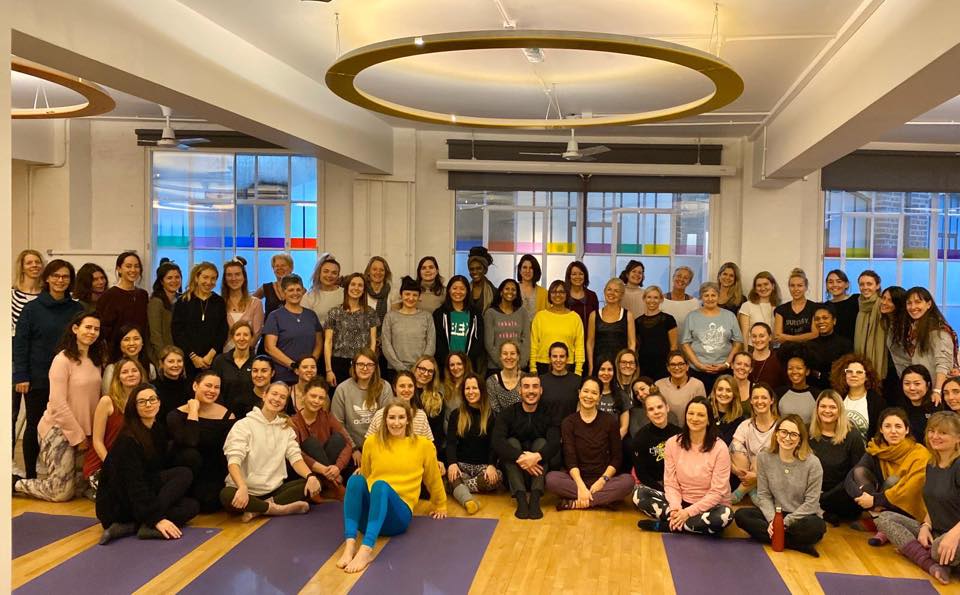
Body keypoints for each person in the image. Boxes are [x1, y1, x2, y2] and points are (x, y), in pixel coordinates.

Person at [337, 399, 446, 573]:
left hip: (397, 518)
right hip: (369, 519)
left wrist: (440, 504)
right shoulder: (371, 442)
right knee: (355, 480)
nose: (396, 422)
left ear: (408, 420)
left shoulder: (423, 445)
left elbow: (433, 478)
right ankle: (350, 545)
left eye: (401, 417)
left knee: (380, 486)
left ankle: (366, 550)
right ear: (385, 419)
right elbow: (366, 474)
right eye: (392, 417)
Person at [13, 313, 106, 501]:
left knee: (79, 487)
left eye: (96, 329)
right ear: (75, 329)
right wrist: (78, 436)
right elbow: (58, 403)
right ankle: (14, 483)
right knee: (61, 493)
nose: (92, 332)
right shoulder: (62, 360)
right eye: (88, 327)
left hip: (86, 432)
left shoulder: (96, 361)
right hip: (58, 430)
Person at [95, 383, 199, 544]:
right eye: (142, 402)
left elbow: (155, 471)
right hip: (118, 504)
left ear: (159, 402)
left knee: (191, 505)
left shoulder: (156, 429)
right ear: (134, 407)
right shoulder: (128, 440)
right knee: (183, 475)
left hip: (141, 494)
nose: (148, 404)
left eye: (152, 399)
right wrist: (156, 518)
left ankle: (133, 526)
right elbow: (134, 485)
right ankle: (147, 522)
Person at [13, 260, 85, 478]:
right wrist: (21, 375)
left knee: (66, 424)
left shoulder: (77, 309)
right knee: (34, 425)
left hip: (70, 378)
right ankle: (31, 475)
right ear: (47, 278)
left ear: (71, 280)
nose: (60, 280)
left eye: (65, 276)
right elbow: (21, 344)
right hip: (38, 378)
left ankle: (62, 473)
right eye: (56, 276)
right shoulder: (31, 309)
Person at [875, 411, 960, 585]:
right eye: (932, 431)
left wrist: (953, 535)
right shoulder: (931, 464)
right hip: (936, 531)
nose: (935, 436)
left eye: (943, 433)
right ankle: (932, 564)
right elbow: (933, 503)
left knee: (937, 549)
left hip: (955, 533)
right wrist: (925, 526)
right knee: (885, 518)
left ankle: (923, 555)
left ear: (958, 438)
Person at [220, 382, 321, 521]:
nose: (277, 399)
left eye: (282, 397)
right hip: (244, 490)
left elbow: (296, 458)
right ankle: (275, 508)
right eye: (274, 394)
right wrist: (242, 487)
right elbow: (233, 461)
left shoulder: (286, 428)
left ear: (285, 403)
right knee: (226, 495)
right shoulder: (243, 425)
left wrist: (310, 476)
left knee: (312, 483)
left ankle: (259, 510)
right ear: (264, 395)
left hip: (273, 490)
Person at [634, 396, 733, 536]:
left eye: (701, 415)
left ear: (709, 420)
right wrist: (675, 508)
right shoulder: (672, 443)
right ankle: (686, 523)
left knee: (725, 515)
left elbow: (717, 492)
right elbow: (670, 482)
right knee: (639, 494)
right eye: (691, 413)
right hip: (681, 502)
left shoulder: (720, 448)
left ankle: (668, 525)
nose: (694, 418)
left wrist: (688, 512)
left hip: (710, 506)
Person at [734, 414, 826, 557]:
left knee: (817, 527)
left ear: (800, 439)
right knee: (741, 516)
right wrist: (773, 520)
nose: (787, 438)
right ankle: (796, 544)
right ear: (776, 434)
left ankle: (776, 537)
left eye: (793, 434)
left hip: (801, 516)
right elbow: (764, 495)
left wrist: (784, 523)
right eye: (784, 432)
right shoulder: (764, 457)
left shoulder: (813, 463)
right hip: (775, 513)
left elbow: (811, 503)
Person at [845, 407, 929, 544]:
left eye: (898, 426)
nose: (893, 431)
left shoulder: (920, 453)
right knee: (859, 472)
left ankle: (883, 526)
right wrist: (863, 498)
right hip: (881, 501)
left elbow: (910, 489)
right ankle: (879, 519)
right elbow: (851, 477)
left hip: (908, 504)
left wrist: (875, 500)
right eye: (888, 426)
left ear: (907, 430)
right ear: (881, 429)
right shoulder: (877, 448)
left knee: (892, 481)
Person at [546, 378, 633, 510]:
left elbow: (616, 458)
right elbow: (570, 459)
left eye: (594, 393)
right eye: (586, 391)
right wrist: (581, 486)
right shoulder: (568, 422)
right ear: (579, 393)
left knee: (628, 481)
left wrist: (602, 481)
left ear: (599, 398)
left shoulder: (610, 421)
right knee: (551, 479)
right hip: (576, 479)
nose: (589, 396)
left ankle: (575, 503)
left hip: (603, 480)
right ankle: (601, 500)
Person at [492, 373, 560, 519]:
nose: (531, 391)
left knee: (542, 442)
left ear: (541, 390)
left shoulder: (549, 412)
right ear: (520, 391)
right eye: (526, 387)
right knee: (511, 442)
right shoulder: (508, 413)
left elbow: (554, 442)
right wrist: (521, 457)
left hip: (539, 472)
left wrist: (537, 456)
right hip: (514, 473)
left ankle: (535, 499)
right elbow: (497, 441)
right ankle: (521, 500)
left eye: (535, 387)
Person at [167, 370, 235, 512]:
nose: (212, 391)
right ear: (195, 386)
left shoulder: (227, 415)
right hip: (186, 470)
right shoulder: (175, 415)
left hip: (211, 471)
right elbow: (191, 441)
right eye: (208, 385)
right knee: (191, 454)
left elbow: (227, 451)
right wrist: (193, 411)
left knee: (210, 504)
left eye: (216, 387)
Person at [84, 357, 145, 494]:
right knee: (121, 496)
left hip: (131, 463)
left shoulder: (145, 402)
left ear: (141, 374)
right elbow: (97, 441)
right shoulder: (107, 402)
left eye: (134, 371)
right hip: (103, 463)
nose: (130, 374)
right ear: (118, 378)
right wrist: (111, 464)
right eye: (125, 372)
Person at [446, 373, 502, 513]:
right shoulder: (456, 414)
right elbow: (451, 443)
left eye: (474, 388)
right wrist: (452, 463)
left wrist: (491, 465)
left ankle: (457, 488)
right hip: (462, 466)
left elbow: (495, 444)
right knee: (452, 475)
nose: (471, 392)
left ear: (481, 390)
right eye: (467, 388)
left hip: (482, 467)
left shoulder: (492, 415)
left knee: (496, 478)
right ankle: (468, 501)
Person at [809, 390, 865, 525]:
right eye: (823, 406)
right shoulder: (807, 432)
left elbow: (856, 475)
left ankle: (819, 509)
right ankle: (820, 510)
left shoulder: (853, 436)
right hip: (812, 491)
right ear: (817, 409)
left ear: (840, 410)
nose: (827, 411)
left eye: (832, 407)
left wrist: (825, 497)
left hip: (841, 494)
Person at [889, 287, 957, 398]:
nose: (913, 307)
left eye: (918, 302)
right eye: (909, 303)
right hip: (919, 390)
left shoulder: (938, 329)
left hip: (936, 392)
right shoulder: (911, 329)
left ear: (929, 304)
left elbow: (943, 363)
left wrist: (937, 390)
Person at [291, 377, 352, 497]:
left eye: (321, 398)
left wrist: (337, 468)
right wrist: (324, 469)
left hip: (330, 467)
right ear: (304, 396)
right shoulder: (293, 422)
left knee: (338, 438)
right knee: (310, 444)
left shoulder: (327, 417)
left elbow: (348, 444)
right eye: (313, 396)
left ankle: (326, 484)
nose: (316, 401)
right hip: (306, 472)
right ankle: (334, 486)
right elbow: (296, 454)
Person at [331, 349, 394, 465]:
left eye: (369, 365)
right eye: (360, 364)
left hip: (379, 445)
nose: (365, 368)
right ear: (354, 366)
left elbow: (387, 421)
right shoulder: (342, 389)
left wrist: (373, 449)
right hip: (351, 447)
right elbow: (338, 424)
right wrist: (353, 449)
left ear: (375, 367)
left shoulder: (385, 387)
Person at [680, 282, 743, 393]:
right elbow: (685, 344)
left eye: (713, 295)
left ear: (718, 296)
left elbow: (738, 342)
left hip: (724, 370)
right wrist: (698, 364)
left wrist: (727, 364)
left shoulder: (729, 316)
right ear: (701, 297)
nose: (710, 299)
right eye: (706, 295)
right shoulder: (692, 316)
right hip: (697, 371)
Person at [262, 274, 323, 385]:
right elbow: (269, 347)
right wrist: (294, 366)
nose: (295, 293)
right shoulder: (275, 316)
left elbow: (319, 343)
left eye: (298, 289)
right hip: (284, 377)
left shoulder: (311, 315)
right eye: (291, 290)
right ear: (283, 292)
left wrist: (309, 365)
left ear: (303, 291)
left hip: (309, 377)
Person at [11, 250, 45, 447]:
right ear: (22, 267)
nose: (34, 266)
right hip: (14, 361)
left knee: (37, 416)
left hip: (39, 362)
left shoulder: (47, 296)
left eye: (37, 262)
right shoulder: (10, 295)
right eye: (29, 262)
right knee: (11, 412)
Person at [172, 262, 228, 378]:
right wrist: (193, 357)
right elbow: (178, 332)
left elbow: (222, 331)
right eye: (205, 277)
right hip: (189, 360)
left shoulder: (219, 302)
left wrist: (210, 355)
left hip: (213, 359)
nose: (209, 282)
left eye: (213, 278)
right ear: (197, 278)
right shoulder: (183, 301)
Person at [325, 272, 379, 385]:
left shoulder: (370, 313)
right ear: (347, 287)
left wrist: (370, 364)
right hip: (338, 363)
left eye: (360, 285)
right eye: (353, 284)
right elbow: (328, 342)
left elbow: (373, 341)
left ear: (364, 290)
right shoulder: (334, 312)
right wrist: (329, 370)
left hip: (362, 364)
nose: (356, 288)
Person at [730, 382, 780, 504]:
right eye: (756, 398)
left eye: (764, 398)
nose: (759, 401)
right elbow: (732, 450)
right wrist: (735, 469)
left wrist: (757, 476)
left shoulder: (780, 425)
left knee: (762, 455)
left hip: (773, 475)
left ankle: (740, 491)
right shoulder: (745, 425)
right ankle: (753, 491)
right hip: (748, 470)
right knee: (735, 447)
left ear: (771, 400)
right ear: (751, 401)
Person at [382, 276, 436, 375]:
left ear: (419, 297)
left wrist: (420, 367)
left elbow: (431, 344)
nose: (411, 298)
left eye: (415, 295)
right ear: (401, 295)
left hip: (421, 371)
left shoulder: (427, 317)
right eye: (407, 294)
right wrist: (401, 368)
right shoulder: (390, 316)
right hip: (395, 370)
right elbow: (386, 344)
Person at [96, 251, 149, 351]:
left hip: (139, 350)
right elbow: (103, 327)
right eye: (128, 266)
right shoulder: (109, 295)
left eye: (136, 266)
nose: (133, 270)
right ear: (119, 269)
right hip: (115, 351)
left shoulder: (143, 295)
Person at [530, 280, 585, 376]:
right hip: (543, 365)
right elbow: (534, 344)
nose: (557, 295)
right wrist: (532, 367)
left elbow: (579, 346)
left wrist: (578, 370)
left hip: (568, 365)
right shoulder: (540, 317)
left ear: (567, 294)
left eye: (561, 292)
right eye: (554, 292)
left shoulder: (575, 318)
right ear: (549, 295)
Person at [631, 392, 681, 490]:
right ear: (647, 414)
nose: (656, 412)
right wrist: (663, 490)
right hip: (654, 485)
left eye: (659, 407)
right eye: (651, 409)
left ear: (667, 408)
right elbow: (642, 474)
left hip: (678, 483)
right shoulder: (640, 438)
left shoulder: (679, 434)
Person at [433, 275, 484, 371]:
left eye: (462, 289)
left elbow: (478, 341)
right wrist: (449, 362)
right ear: (449, 290)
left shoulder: (475, 314)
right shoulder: (439, 314)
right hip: (445, 366)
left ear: (467, 291)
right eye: (454, 288)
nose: (458, 292)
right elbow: (438, 342)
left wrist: (465, 362)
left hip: (469, 366)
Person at [586, 279, 636, 376]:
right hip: (599, 366)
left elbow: (631, 343)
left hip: (620, 366)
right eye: (609, 289)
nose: (612, 293)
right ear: (604, 291)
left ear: (621, 295)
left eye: (616, 291)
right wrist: (591, 367)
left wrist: (629, 364)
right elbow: (590, 343)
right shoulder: (594, 315)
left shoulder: (628, 315)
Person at [366, 371, 435, 441]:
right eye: (402, 386)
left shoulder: (421, 416)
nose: (406, 390)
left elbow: (429, 444)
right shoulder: (380, 415)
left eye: (410, 386)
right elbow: (369, 442)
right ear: (394, 388)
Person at [831, 353, 885, 441]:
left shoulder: (877, 402)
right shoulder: (837, 398)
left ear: (867, 376)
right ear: (844, 375)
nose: (854, 375)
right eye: (849, 372)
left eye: (859, 372)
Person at [483, 278, 529, 373]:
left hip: (518, 367)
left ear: (517, 294)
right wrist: (504, 364)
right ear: (501, 292)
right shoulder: (490, 313)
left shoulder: (522, 312)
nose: (510, 292)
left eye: (513, 289)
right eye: (507, 289)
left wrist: (521, 364)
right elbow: (489, 344)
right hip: (496, 367)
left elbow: (526, 340)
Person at [211, 321, 256, 416]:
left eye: (246, 335)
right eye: (238, 335)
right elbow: (214, 388)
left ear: (251, 338)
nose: (242, 338)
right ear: (232, 337)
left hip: (251, 416)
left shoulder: (257, 362)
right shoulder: (220, 360)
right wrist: (223, 413)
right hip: (223, 414)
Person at [635, 286, 678, 380]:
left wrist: (672, 365)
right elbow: (636, 346)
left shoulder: (668, 319)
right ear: (644, 299)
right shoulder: (637, 321)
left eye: (656, 297)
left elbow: (674, 347)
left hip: (664, 365)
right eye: (649, 297)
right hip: (644, 364)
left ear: (661, 300)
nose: (652, 300)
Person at [221, 257, 264, 351]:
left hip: (247, 355)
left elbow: (257, 334)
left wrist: (242, 354)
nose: (233, 278)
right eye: (229, 275)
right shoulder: (219, 303)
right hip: (222, 356)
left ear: (244, 277)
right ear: (225, 279)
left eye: (237, 274)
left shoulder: (256, 304)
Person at [808, 304, 854, 389]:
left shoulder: (845, 344)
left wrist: (820, 375)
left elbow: (846, 371)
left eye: (825, 318)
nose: (821, 321)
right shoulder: (809, 345)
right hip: (814, 389)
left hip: (838, 389)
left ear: (834, 321)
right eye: (817, 319)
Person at [655, 350, 707, 423]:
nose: (677, 368)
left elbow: (701, 412)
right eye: (673, 364)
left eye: (681, 364)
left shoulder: (697, 385)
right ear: (668, 368)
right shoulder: (659, 385)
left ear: (687, 366)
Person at [101, 325, 156, 392]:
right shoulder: (112, 369)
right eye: (126, 339)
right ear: (119, 344)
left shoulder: (150, 367)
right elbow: (107, 394)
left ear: (142, 342)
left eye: (136, 339)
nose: (131, 343)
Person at [854, 270, 888, 379]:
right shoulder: (859, 305)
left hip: (881, 356)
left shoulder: (883, 304)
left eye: (869, 284)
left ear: (877, 286)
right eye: (862, 284)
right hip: (861, 356)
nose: (865, 287)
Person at [146, 259, 181, 359]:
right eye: (169, 278)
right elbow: (155, 335)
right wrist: (164, 357)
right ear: (161, 281)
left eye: (177, 277)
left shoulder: (182, 299)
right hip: (162, 355)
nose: (174, 281)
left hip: (179, 354)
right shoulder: (156, 302)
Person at [774, 268, 819, 344]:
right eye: (792, 285)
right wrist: (805, 337)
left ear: (806, 287)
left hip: (809, 349)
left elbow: (815, 334)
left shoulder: (815, 307)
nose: (796, 289)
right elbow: (778, 337)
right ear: (789, 287)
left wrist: (787, 337)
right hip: (787, 350)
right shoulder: (781, 310)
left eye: (800, 285)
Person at [538, 342, 581, 420]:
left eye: (562, 356)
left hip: (571, 426)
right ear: (550, 358)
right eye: (554, 356)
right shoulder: (540, 381)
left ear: (567, 358)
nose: (558, 360)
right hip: (547, 426)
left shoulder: (577, 381)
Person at [412, 356, 445, 453]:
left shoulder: (438, 398)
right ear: (415, 369)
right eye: (422, 369)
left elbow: (438, 432)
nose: (426, 374)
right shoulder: (405, 392)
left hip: (427, 448)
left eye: (430, 371)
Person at [737, 271, 780, 346]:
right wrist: (746, 351)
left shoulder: (779, 307)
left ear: (773, 286)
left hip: (773, 348)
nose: (763, 288)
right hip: (752, 348)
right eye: (759, 285)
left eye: (766, 284)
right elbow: (745, 334)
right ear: (755, 289)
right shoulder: (747, 306)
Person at [301, 256, 343, 327]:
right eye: (326, 271)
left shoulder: (345, 294)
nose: (329, 275)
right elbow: (303, 322)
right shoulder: (309, 296)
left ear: (338, 276)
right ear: (319, 273)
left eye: (334, 273)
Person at [899, 365, 939, 438]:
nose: (912, 388)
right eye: (907, 383)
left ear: (928, 385)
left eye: (917, 384)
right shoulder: (899, 409)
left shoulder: (936, 407)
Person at [778, 354, 817, 426]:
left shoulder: (816, 395)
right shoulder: (779, 393)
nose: (794, 371)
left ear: (807, 371)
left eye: (799, 368)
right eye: (790, 368)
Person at [154, 346, 190, 425]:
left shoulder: (189, 385)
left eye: (179, 361)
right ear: (161, 363)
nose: (176, 365)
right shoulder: (153, 387)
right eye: (171, 361)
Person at [596, 358, 629, 439]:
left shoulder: (622, 395)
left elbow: (624, 428)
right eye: (602, 369)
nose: (606, 373)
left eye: (610, 370)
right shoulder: (589, 394)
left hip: (614, 441)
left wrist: (613, 442)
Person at [747, 322, 786, 389]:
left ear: (770, 337)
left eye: (761, 336)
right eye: (754, 336)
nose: (757, 340)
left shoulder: (779, 359)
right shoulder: (745, 359)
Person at [486, 341, 522, 413]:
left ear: (518, 357)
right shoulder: (492, 381)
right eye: (505, 354)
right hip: (500, 420)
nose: (509, 357)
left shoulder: (526, 379)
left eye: (512, 353)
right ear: (500, 357)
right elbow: (495, 411)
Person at [710, 374, 745, 445]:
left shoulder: (740, 420)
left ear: (734, 394)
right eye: (720, 389)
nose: (724, 394)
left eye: (728, 390)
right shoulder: (706, 413)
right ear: (714, 392)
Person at [825, 269, 859, 342]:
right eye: (830, 282)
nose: (834, 285)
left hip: (854, 346)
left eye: (839, 281)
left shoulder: (856, 300)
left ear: (846, 284)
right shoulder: (825, 306)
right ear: (827, 285)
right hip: (832, 346)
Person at [363, 255, 395, 332]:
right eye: (374, 269)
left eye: (382, 270)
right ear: (368, 272)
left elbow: (395, 321)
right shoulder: (362, 290)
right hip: (363, 335)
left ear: (386, 273)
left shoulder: (393, 292)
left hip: (385, 335)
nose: (378, 272)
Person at [567, 260, 600, 328]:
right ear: (569, 277)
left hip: (588, 334)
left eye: (581, 274)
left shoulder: (592, 296)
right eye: (574, 274)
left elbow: (596, 320)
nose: (578, 277)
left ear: (585, 276)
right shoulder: (564, 295)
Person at [466, 246, 496, 314]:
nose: (475, 272)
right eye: (471, 269)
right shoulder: (464, 290)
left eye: (479, 268)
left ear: (485, 270)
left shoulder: (494, 292)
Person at [517, 254, 547, 320]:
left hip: (537, 326)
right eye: (525, 267)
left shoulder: (544, 293)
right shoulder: (513, 290)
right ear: (519, 270)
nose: (527, 271)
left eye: (531, 268)